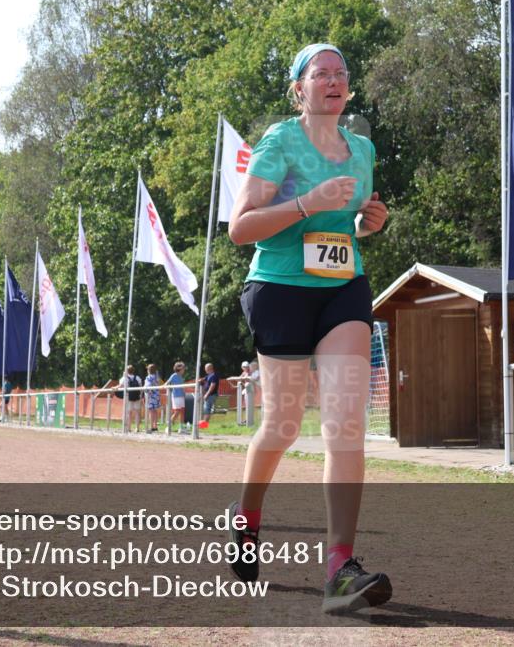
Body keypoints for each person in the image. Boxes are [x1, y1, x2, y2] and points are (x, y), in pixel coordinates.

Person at [226, 43, 391, 614]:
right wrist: (307, 202)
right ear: (299, 88)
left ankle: (340, 568)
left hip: (343, 286)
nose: (333, 80)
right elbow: (241, 229)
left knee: (346, 426)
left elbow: (347, 223)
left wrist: (368, 222)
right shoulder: (279, 142)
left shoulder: (363, 148)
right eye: (320, 73)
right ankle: (245, 520)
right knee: (283, 423)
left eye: (341, 73)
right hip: (279, 289)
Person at [120, 365, 143, 433]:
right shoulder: (138, 378)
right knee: (137, 413)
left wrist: (124, 375)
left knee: (128, 413)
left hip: (128, 397)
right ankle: (137, 428)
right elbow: (141, 387)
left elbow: (120, 385)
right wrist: (140, 396)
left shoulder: (125, 378)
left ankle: (129, 427)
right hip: (137, 397)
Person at [165, 362, 186, 429]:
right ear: (179, 368)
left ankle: (181, 428)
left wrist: (184, 393)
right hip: (176, 396)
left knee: (182, 411)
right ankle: (169, 425)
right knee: (177, 411)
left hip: (181, 396)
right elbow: (167, 383)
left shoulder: (181, 377)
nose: (184, 370)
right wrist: (165, 387)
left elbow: (182, 387)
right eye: (183, 368)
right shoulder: (174, 375)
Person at [144, 364, 163, 432]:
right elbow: (161, 383)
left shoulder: (148, 377)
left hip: (151, 396)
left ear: (148, 370)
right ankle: (155, 426)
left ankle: (151, 426)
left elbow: (147, 386)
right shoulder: (157, 377)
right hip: (157, 396)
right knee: (155, 411)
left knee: (151, 411)